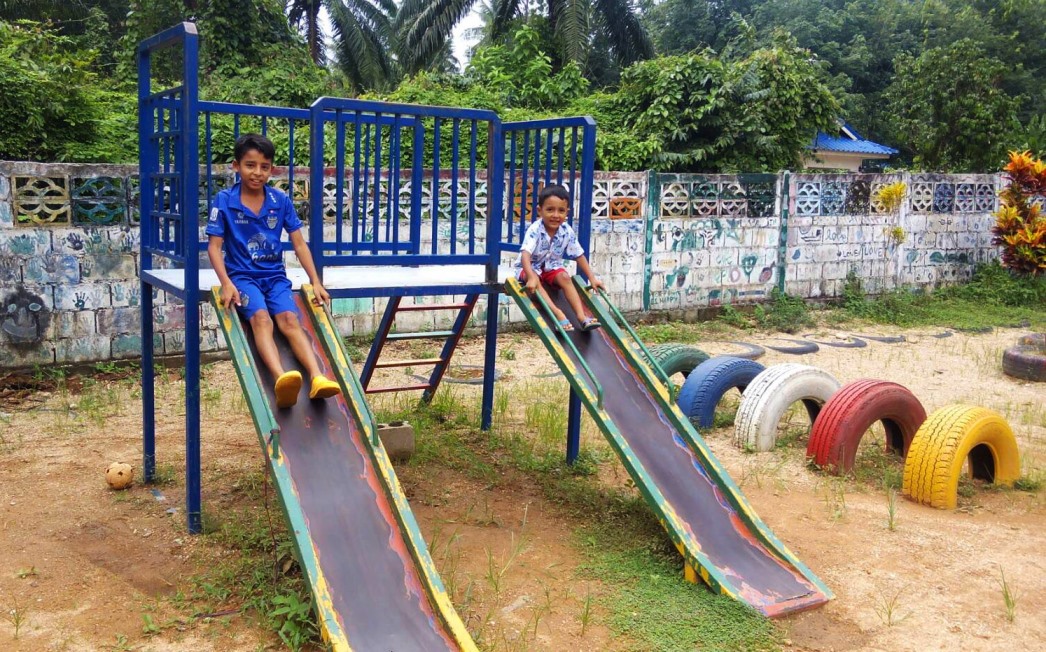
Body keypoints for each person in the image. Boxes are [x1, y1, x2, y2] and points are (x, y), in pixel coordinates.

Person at [206, 134, 341, 408]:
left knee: (290, 321)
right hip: (242, 278)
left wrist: (315, 281)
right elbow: (214, 247)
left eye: (264, 167)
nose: (257, 173)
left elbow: (299, 244)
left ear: (271, 170)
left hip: (274, 277)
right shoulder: (224, 201)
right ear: (236, 166)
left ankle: (317, 377)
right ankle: (282, 380)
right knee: (261, 320)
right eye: (250, 165)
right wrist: (226, 283)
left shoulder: (280, 201)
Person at [515, 184, 603, 332]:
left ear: (567, 213)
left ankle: (581, 318)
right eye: (550, 210)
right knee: (536, 281)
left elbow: (579, 255)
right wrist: (530, 276)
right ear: (539, 210)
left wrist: (592, 278)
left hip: (551, 267)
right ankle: (558, 314)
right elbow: (525, 255)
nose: (556, 215)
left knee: (565, 276)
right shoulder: (535, 230)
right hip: (530, 268)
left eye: (561, 211)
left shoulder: (566, 230)